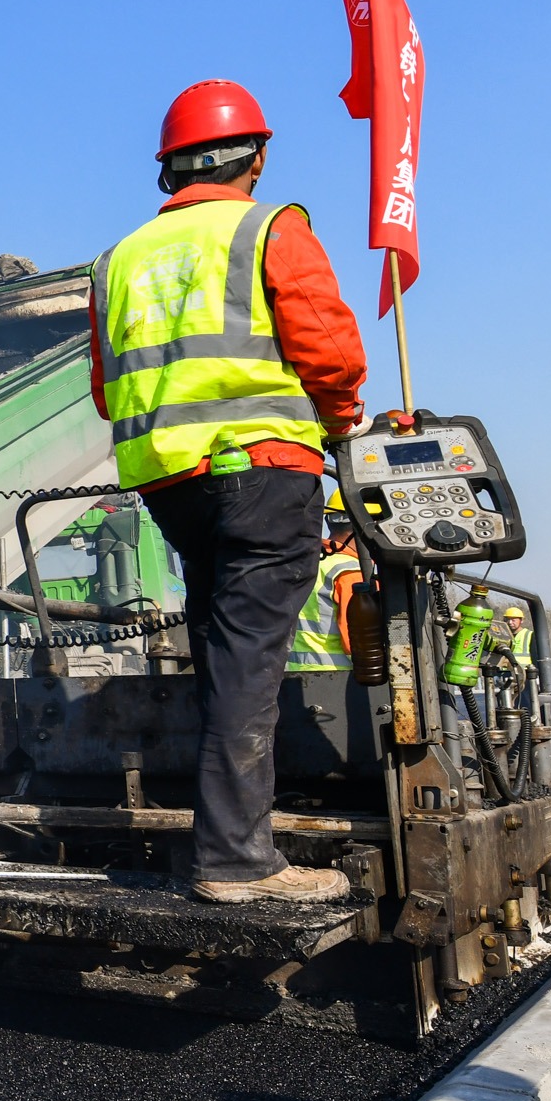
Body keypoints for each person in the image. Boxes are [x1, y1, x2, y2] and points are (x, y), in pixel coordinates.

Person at [91, 80, 366, 904]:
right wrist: (343, 417)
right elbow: (329, 350)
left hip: (172, 484)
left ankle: (229, 840)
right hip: (265, 472)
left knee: (223, 648)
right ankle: (237, 862)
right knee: (249, 661)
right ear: (259, 156)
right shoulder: (270, 227)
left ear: (168, 170)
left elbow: (109, 391)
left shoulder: (119, 258)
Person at [288, 500, 365, 672]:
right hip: (339, 682)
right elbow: (358, 645)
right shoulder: (351, 572)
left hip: (294, 677)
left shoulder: (305, 563)